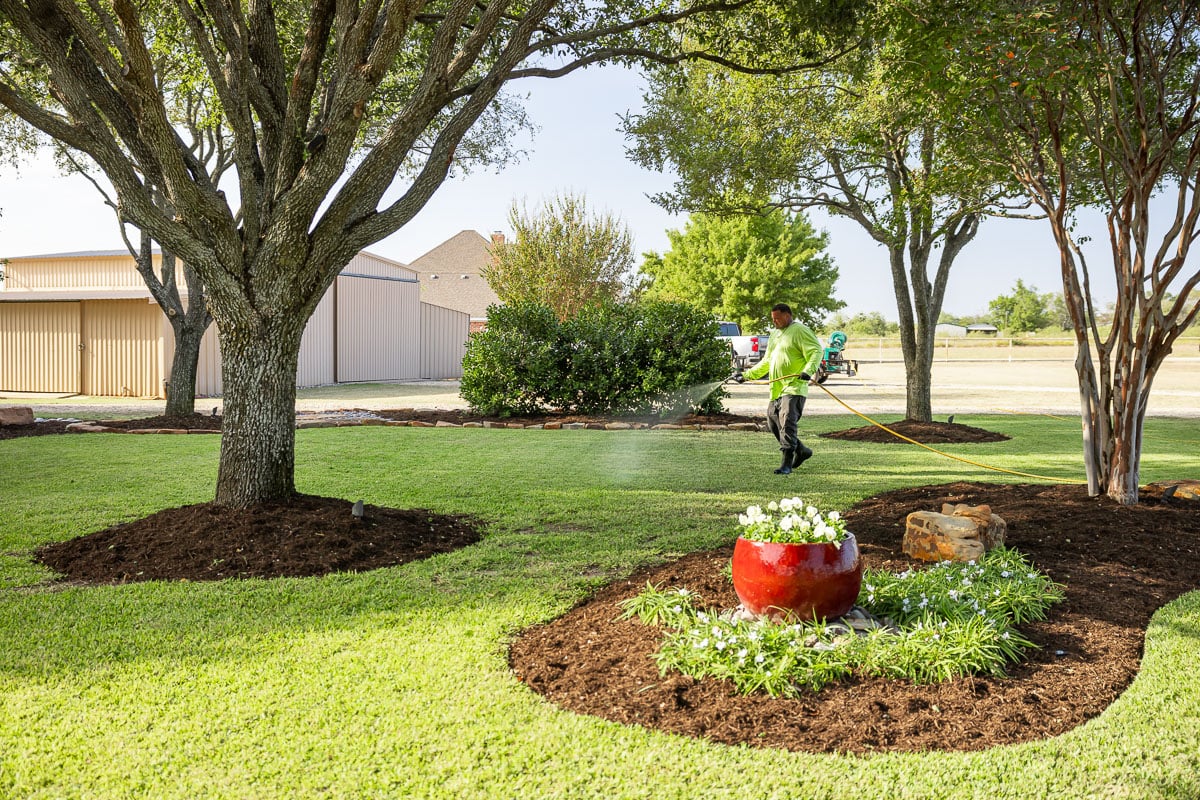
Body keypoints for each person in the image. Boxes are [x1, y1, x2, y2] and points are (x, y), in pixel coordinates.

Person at [736, 303, 823, 474]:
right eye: (772, 319)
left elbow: (816, 351)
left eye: (777, 318)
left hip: (794, 387)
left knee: (787, 423)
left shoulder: (800, 330)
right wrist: (746, 375)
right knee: (773, 422)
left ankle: (786, 464)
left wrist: (808, 371)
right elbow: (767, 361)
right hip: (776, 388)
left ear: (787, 315)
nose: (774, 321)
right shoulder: (774, 334)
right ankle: (802, 450)